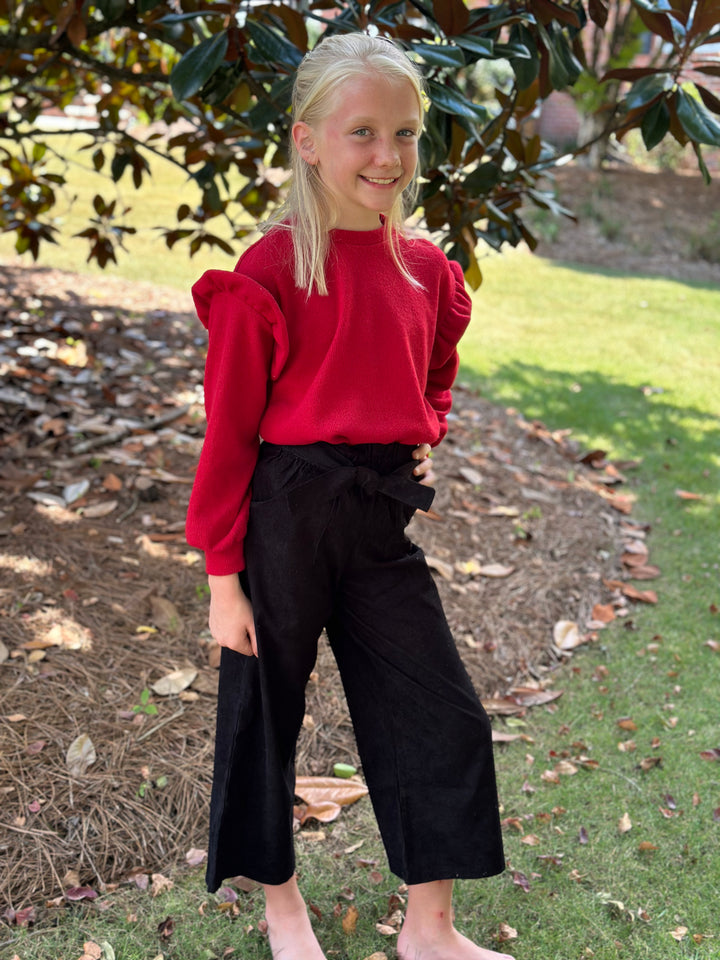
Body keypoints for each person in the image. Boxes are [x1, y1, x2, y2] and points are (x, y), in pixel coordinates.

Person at [186, 32, 512, 960]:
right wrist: (222, 575)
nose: (387, 155)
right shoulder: (270, 272)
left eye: (405, 133)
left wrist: (423, 428)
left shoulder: (427, 271)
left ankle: (431, 930)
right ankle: (282, 905)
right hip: (283, 513)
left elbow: (436, 377)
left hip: (379, 512)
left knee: (441, 710)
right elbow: (227, 436)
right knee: (265, 714)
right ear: (308, 141)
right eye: (362, 131)